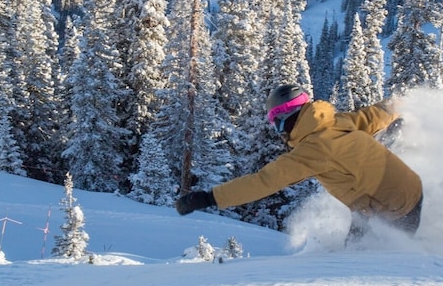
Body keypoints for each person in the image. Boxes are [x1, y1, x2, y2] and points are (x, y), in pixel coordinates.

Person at [175, 83, 423, 237]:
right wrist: (404, 103)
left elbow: (262, 182)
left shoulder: (311, 150)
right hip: (412, 188)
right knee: (358, 238)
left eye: (275, 122)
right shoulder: (337, 122)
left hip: (392, 209)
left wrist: (210, 198)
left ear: (286, 117)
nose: (277, 130)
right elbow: (374, 115)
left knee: (360, 259)